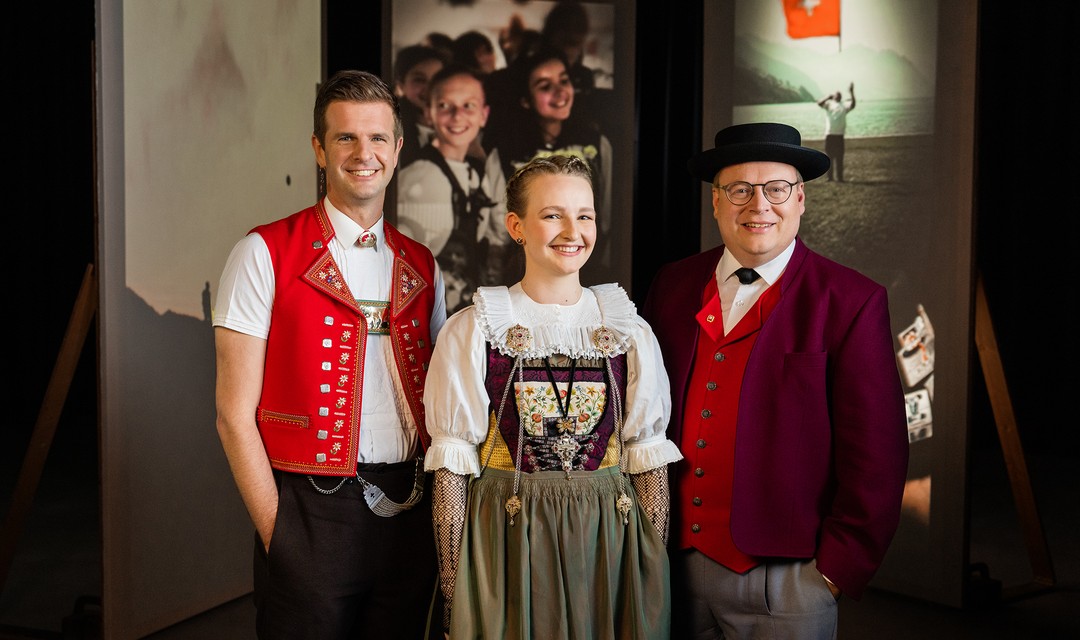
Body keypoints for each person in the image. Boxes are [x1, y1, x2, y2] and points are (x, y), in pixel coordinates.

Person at [641, 122, 908, 639]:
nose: (759, 205)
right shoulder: (672, 284)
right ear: (716, 203)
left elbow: (878, 453)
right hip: (668, 566)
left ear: (800, 199)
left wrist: (833, 572)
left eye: (776, 189)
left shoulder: (851, 300)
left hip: (788, 580)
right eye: (739, 190)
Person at [213, 69, 448, 640]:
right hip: (309, 509)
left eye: (376, 138)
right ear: (319, 149)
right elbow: (231, 416)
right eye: (345, 138)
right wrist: (281, 536)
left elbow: (440, 402)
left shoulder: (424, 263)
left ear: (397, 150)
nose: (362, 152)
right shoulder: (262, 252)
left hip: (409, 501)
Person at [424, 155, 683, 639]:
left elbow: (648, 463)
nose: (572, 230)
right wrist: (455, 583)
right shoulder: (474, 329)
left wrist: (649, 570)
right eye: (552, 215)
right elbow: (452, 467)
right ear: (516, 226)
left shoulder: (628, 331)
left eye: (584, 215)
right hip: (506, 539)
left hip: (606, 541)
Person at [396, 64, 509, 315]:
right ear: (429, 113)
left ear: (483, 115)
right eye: (446, 106)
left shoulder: (474, 170)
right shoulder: (420, 178)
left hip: (462, 317)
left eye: (468, 105)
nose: (457, 116)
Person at [483, 46, 612, 253]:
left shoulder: (596, 143)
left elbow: (607, 214)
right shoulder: (505, 151)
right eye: (545, 86)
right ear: (525, 100)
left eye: (564, 81)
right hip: (524, 264)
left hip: (583, 257)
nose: (560, 92)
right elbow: (497, 228)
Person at [393, 44, 448, 169]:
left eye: (437, 79)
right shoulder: (393, 131)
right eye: (419, 80)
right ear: (401, 85)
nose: (430, 88)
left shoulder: (461, 129)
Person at [816, 82, 856, 182]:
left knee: (839, 157)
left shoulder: (844, 105)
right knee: (829, 157)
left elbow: (853, 104)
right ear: (833, 97)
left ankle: (840, 178)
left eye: (840, 94)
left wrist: (851, 92)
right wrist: (827, 97)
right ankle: (830, 178)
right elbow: (819, 103)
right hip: (830, 134)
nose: (838, 95)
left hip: (839, 136)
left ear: (841, 97)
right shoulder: (829, 104)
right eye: (836, 94)